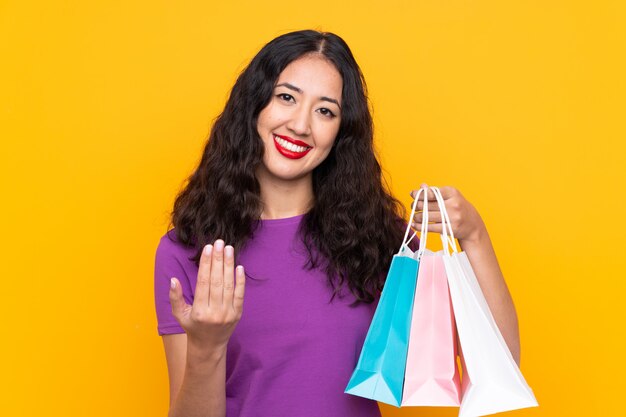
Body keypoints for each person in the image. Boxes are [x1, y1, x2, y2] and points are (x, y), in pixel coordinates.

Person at [153, 29, 520, 417]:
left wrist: (475, 237)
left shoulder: (378, 241)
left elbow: (498, 367)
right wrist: (207, 348)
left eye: (325, 110)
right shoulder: (187, 251)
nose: (300, 125)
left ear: (341, 132)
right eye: (286, 98)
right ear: (254, 106)